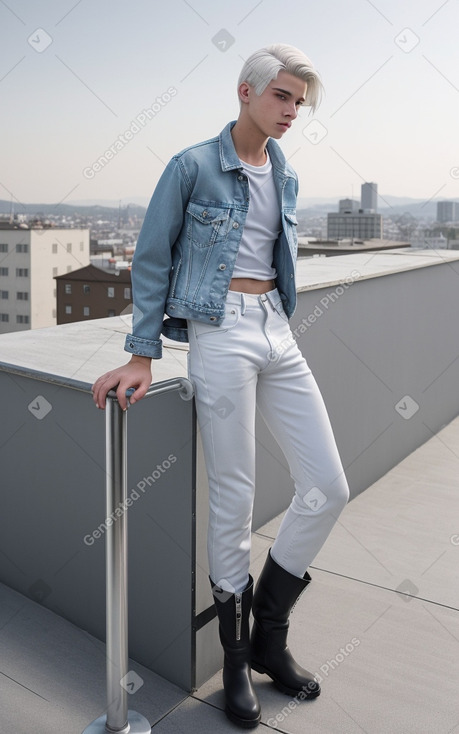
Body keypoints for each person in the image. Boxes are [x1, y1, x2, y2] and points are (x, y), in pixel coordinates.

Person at [92, 44, 350, 729]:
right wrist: (142, 354)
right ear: (245, 92)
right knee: (233, 496)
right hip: (219, 332)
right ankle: (236, 659)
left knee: (327, 485)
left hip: (274, 328)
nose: (293, 111)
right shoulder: (193, 166)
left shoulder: (283, 171)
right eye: (283, 97)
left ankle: (269, 636)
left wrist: (276, 318)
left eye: (300, 101)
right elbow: (151, 257)